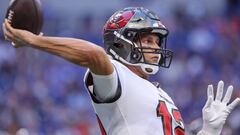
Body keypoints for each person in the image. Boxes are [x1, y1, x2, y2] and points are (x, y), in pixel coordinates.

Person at [2, 7, 240, 135]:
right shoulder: (118, 79)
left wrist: (209, 131)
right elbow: (94, 55)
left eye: (157, 42)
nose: (155, 48)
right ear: (120, 43)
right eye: (147, 40)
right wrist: (34, 41)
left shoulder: (159, 94)